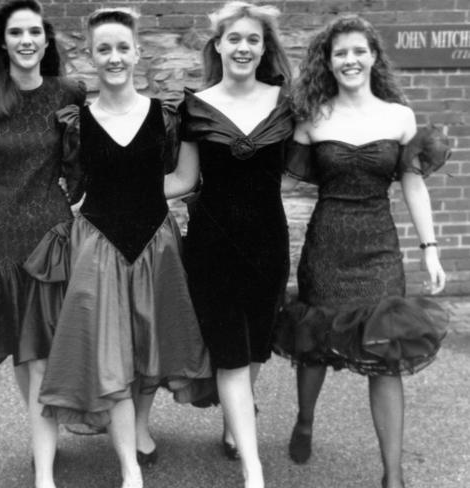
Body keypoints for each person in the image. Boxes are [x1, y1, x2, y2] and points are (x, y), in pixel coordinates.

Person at [23, 8, 212, 488]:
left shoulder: (166, 117)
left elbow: (183, 178)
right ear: (91, 54)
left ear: (137, 52)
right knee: (111, 354)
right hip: (99, 246)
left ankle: (140, 430)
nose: (114, 57)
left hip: (156, 243)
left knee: (151, 346)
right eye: (103, 48)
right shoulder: (76, 124)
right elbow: (72, 187)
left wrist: (142, 193)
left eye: (122, 47)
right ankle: (129, 468)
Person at [273, 15, 449, 488]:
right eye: (340, 53)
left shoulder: (399, 117)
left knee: (385, 353)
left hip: (379, 248)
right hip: (327, 245)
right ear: (328, 63)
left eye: (358, 51)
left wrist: (430, 249)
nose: (350, 60)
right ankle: (305, 420)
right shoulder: (313, 119)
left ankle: (393, 475)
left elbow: (414, 188)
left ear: (373, 55)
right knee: (314, 345)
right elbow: (281, 185)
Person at [164, 2, 293, 487]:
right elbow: (183, 179)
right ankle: (253, 470)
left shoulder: (286, 103)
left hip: (268, 244)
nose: (243, 47)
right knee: (232, 354)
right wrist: (123, 193)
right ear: (217, 45)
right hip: (213, 246)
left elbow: (316, 152)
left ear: (264, 48)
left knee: (257, 347)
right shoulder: (194, 107)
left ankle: (233, 426)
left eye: (253, 40)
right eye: (234, 38)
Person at [0, 1, 85, 487]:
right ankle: (43, 448)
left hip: (50, 235)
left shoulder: (68, 91)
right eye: (17, 32)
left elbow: (80, 165)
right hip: (0, 235)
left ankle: (45, 469)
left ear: (47, 40)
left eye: (36, 31)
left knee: (44, 355)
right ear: (3, 41)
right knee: (22, 350)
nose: (27, 40)